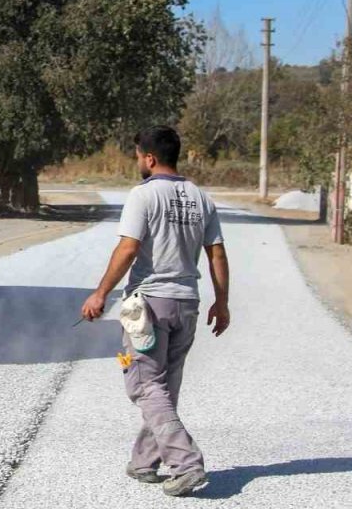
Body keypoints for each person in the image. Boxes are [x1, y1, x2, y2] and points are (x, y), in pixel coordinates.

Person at [80, 125, 231, 498]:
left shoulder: (143, 195)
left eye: (138, 157)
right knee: (164, 386)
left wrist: (100, 293)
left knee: (145, 385)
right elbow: (217, 254)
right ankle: (145, 462)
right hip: (188, 305)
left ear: (149, 158)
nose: (138, 163)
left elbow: (128, 249)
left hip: (148, 305)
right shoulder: (201, 198)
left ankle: (187, 464)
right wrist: (222, 302)